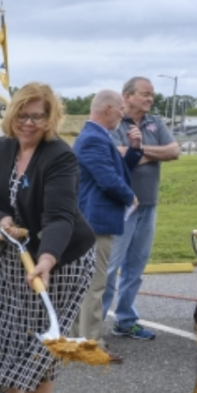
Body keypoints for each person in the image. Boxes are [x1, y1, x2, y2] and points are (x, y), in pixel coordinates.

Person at [0, 82, 96, 393]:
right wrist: (2, 220)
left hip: (62, 259)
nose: (29, 122)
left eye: (38, 116)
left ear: (50, 119)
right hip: (16, 252)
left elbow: (60, 217)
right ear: (13, 115)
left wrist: (47, 259)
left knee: (43, 341)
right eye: (23, 114)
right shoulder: (3, 149)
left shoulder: (60, 156)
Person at [103, 76, 180, 341]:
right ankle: (91, 327)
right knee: (110, 268)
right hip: (121, 207)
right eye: (144, 94)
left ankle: (125, 320)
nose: (150, 99)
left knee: (136, 267)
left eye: (152, 95)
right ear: (127, 96)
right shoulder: (114, 121)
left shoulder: (154, 122)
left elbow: (173, 151)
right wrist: (141, 153)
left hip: (148, 205)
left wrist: (139, 151)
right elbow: (113, 154)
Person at [72, 90, 143, 361]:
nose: (124, 114)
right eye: (121, 109)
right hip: (96, 221)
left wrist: (134, 150)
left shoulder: (97, 136)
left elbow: (116, 170)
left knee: (87, 281)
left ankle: (80, 339)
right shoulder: (93, 138)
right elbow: (108, 179)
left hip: (92, 219)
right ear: (109, 108)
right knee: (95, 283)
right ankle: (91, 344)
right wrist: (130, 196)